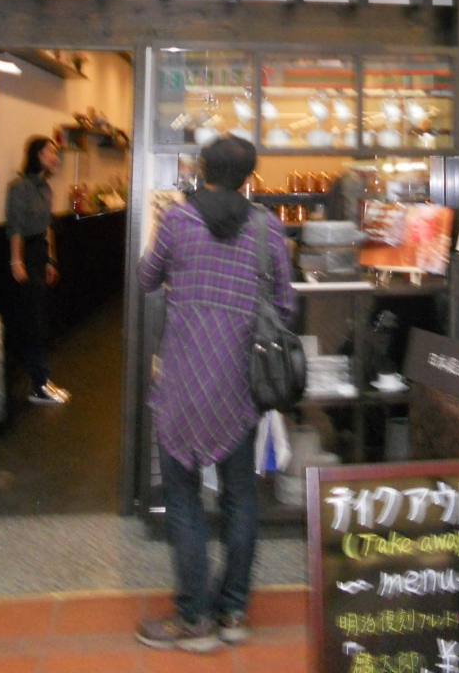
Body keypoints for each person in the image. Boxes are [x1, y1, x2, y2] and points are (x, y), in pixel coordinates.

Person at [135, 135, 296, 654]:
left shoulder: (177, 221)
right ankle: (232, 612)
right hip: (240, 385)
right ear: (249, 175)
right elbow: (286, 306)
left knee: (182, 498)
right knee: (240, 497)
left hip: (183, 378)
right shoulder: (267, 228)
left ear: (202, 168)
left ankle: (194, 617)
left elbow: (145, 278)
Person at [5, 136, 70, 405]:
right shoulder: (18, 187)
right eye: (50, 152)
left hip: (40, 254)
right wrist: (16, 261)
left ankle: (40, 379)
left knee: (40, 319)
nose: (55, 157)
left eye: (55, 153)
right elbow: (15, 227)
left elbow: (47, 226)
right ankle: (38, 383)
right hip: (25, 255)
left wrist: (51, 260)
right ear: (37, 155)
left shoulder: (46, 188)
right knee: (31, 322)